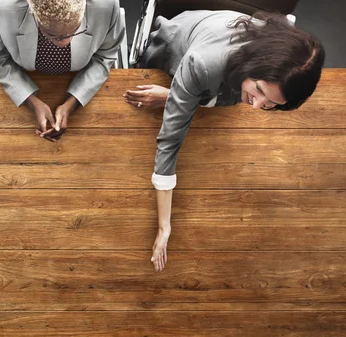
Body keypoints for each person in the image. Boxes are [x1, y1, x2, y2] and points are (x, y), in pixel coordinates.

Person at [123, 11, 325, 272]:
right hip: (169, 52)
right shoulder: (203, 62)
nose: (257, 107)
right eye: (261, 91)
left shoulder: (277, 60)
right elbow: (170, 140)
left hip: (216, 78)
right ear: (253, 64)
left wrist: (176, 96)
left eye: (273, 103)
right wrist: (165, 226)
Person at [0, 0, 125, 141]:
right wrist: (30, 101)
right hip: (23, 78)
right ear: (34, 15)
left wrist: (73, 102)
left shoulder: (107, 5)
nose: (65, 43)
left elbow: (105, 56)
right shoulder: (1, 7)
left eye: (75, 30)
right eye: (53, 35)